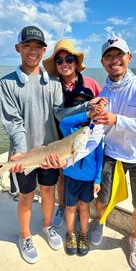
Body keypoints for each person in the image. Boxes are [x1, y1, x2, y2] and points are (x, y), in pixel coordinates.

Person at [84, 37, 136, 270]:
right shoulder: (103, 92)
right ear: (102, 62)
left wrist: (116, 118)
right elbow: (100, 129)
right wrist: (91, 116)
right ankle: (100, 221)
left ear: (129, 57)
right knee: (103, 198)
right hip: (113, 152)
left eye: (119, 55)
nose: (114, 60)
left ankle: (135, 238)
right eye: (109, 56)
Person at [0, 26, 73, 264]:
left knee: (49, 191)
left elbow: (60, 113)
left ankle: (48, 226)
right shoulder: (7, 83)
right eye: (27, 45)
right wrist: (19, 151)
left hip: (49, 153)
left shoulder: (53, 83)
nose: (33, 51)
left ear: (44, 51)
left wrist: (87, 108)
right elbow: (13, 122)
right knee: (26, 196)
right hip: (24, 156)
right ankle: (25, 235)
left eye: (38, 47)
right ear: (18, 48)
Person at [42, 38, 101, 228]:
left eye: (68, 59)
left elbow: (102, 105)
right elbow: (57, 114)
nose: (64, 64)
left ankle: (84, 213)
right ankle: (63, 206)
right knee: (62, 175)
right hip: (61, 137)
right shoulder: (53, 86)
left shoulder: (91, 84)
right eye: (59, 61)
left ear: (76, 62)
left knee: (86, 174)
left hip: (87, 138)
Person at [59, 86, 103, 256]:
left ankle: (83, 234)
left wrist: (98, 179)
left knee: (84, 207)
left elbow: (100, 156)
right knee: (70, 207)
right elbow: (64, 121)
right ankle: (70, 233)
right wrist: (86, 113)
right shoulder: (69, 129)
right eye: (79, 104)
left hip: (89, 179)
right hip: (71, 176)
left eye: (86, 103)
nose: (84, 105)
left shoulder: (96, 132)